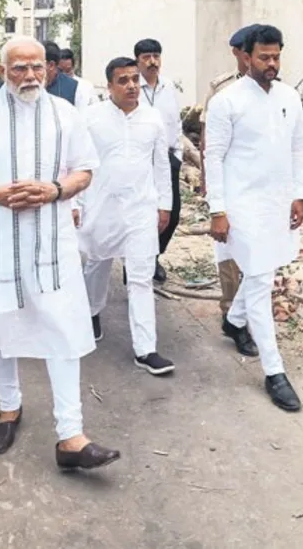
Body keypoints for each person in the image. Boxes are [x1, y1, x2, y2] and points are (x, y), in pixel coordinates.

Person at [0, 36, 119, 470]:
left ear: (48, 68)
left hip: (51, 245)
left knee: (63, 329)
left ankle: (71, 436)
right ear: (2, 71)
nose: (30, 76)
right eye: (19, 68)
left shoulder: (65, 113)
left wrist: (55, 189)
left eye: (38, 67)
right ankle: (8, 407)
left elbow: (85, 170)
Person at [204, 25, 303, 412]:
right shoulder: (226, 101)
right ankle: (274, 371)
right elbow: (213, 157)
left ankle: (233, 320)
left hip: (277, 202)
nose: (271, 63)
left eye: (276, 56)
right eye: (264, 57)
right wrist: (218, 209)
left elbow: (297, 149)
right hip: (241, 205)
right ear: (246, 57)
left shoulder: (290, 97)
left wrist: (299, 194)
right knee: (261, 279)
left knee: (266, 268)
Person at [79, 57, 174, 375]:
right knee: (97, 262)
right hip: (101, 207)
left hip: (141, 209)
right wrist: (76, 204)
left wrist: (165, 205)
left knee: (141, 277)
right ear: (109, 86)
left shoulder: (153, 118)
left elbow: (161, 165)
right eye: (123, 80)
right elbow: (78, 163)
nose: (132, 85)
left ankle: (146, 350)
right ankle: (91, 312)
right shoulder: (91, 118)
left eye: (135, 79)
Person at [195, 25, 256, 356]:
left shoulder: (277, 91)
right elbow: (208, 144)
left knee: (260, 256)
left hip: (259, 188)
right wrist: (209, 188)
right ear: (238, 53)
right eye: (250, 52)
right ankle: (233, 316)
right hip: (229, 186)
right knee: (229, 255)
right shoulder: (222, 89)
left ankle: (246, 314)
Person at [133, 38, 183, 282]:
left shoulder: (168, 86)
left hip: (168, 157)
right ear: (137, 61)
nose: (152, 62)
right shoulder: (132, 87)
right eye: (146, 57)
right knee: (143, 212)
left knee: (171, 213)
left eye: (156, 56)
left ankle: (154, 256)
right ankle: (136, 260)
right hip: (141, 159)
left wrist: (178, 155)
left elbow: (176, 121)